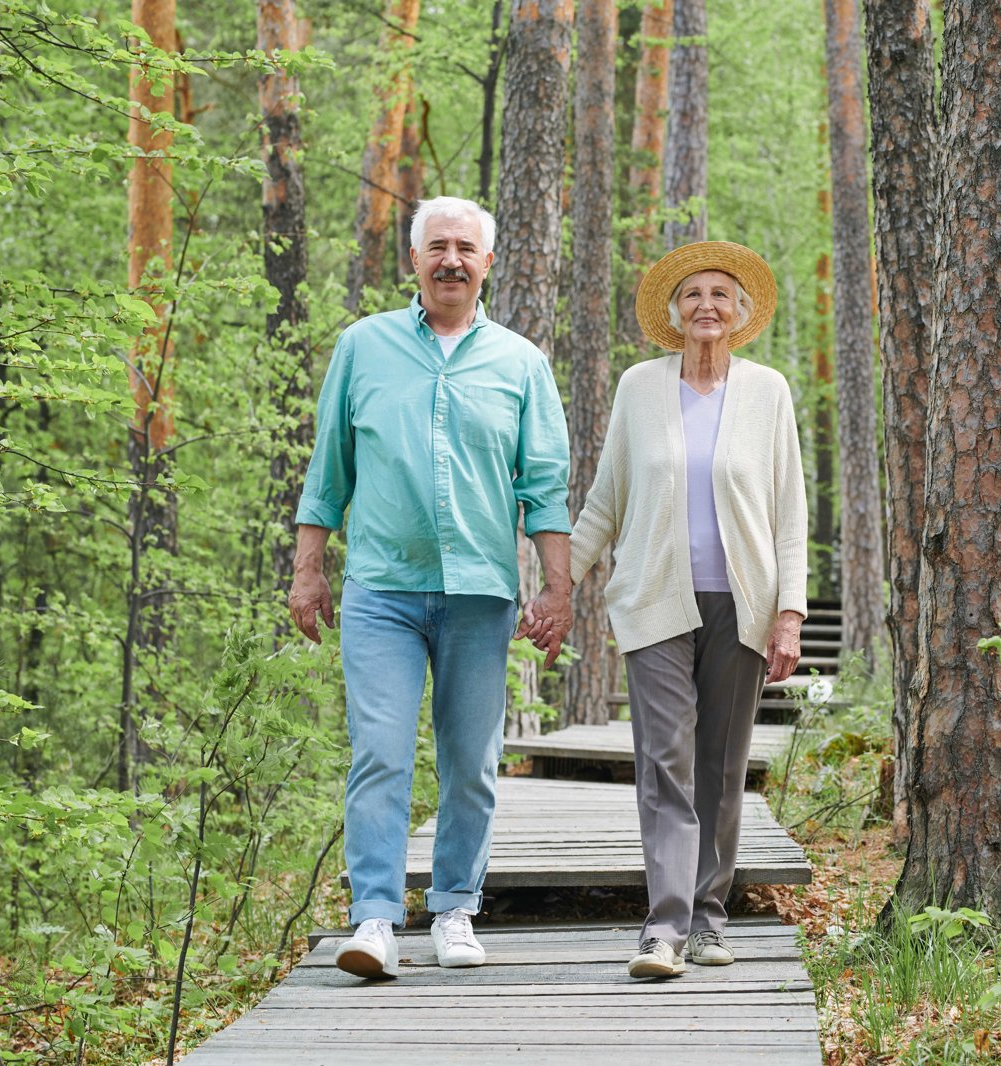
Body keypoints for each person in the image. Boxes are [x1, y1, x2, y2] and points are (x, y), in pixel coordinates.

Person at [288, 196, 572, 979]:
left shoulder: (520, 362)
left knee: (470, 761)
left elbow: (546, 487)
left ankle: (454, 908)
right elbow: (329, 468)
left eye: (465, 248)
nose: (451, 259)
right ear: (413, 261)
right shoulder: (363, 347)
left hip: (480, 592)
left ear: (488, 263)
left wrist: (557, 589)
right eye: (437, 246)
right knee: (378, 753)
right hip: (381, 589)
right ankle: (375, 917)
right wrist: (308, 569)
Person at [548, 241, 806, 979]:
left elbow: (790, 510)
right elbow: (605, 499)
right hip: (656, 598)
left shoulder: (768, 392)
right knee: (664, 760)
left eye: (721, 294)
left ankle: (707, 920)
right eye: (693, 294)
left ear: (741, 312)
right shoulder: (639, 387)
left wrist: (789, 610)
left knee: (722, 766)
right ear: (673, 311)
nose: (706, 306)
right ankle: (663, 927)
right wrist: (561, 580)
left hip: (743, 603)